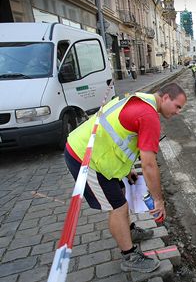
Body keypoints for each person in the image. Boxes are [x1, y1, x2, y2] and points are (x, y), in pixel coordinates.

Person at [64, 83, 187, 272]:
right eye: (177, 106)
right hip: (86, 158)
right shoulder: (149, 116)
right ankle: (129, 255)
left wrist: (127, 168)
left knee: (120, 192)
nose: (178, 112)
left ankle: (128, 231)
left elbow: (120, 134)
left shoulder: (141, 99)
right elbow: (149, 165)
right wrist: (158, 200)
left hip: (96, 152)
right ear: (165, 98)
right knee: (118, 207)